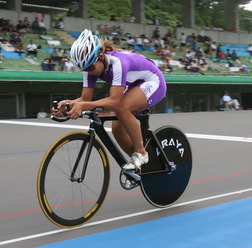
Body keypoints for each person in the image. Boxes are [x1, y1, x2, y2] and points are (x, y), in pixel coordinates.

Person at [52, 29, 167, 172]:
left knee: (122, 108)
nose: (89, 71)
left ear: (100, 56)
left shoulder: (118, 63)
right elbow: (85, 99)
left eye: (90, 67)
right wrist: (68, 104)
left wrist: (82, 105)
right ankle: (141, 167)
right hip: (133, 84)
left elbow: (114, 101)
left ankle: (141, 154)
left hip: (153, 81)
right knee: (117, 128)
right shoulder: (90, 66)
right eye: (84, 69)